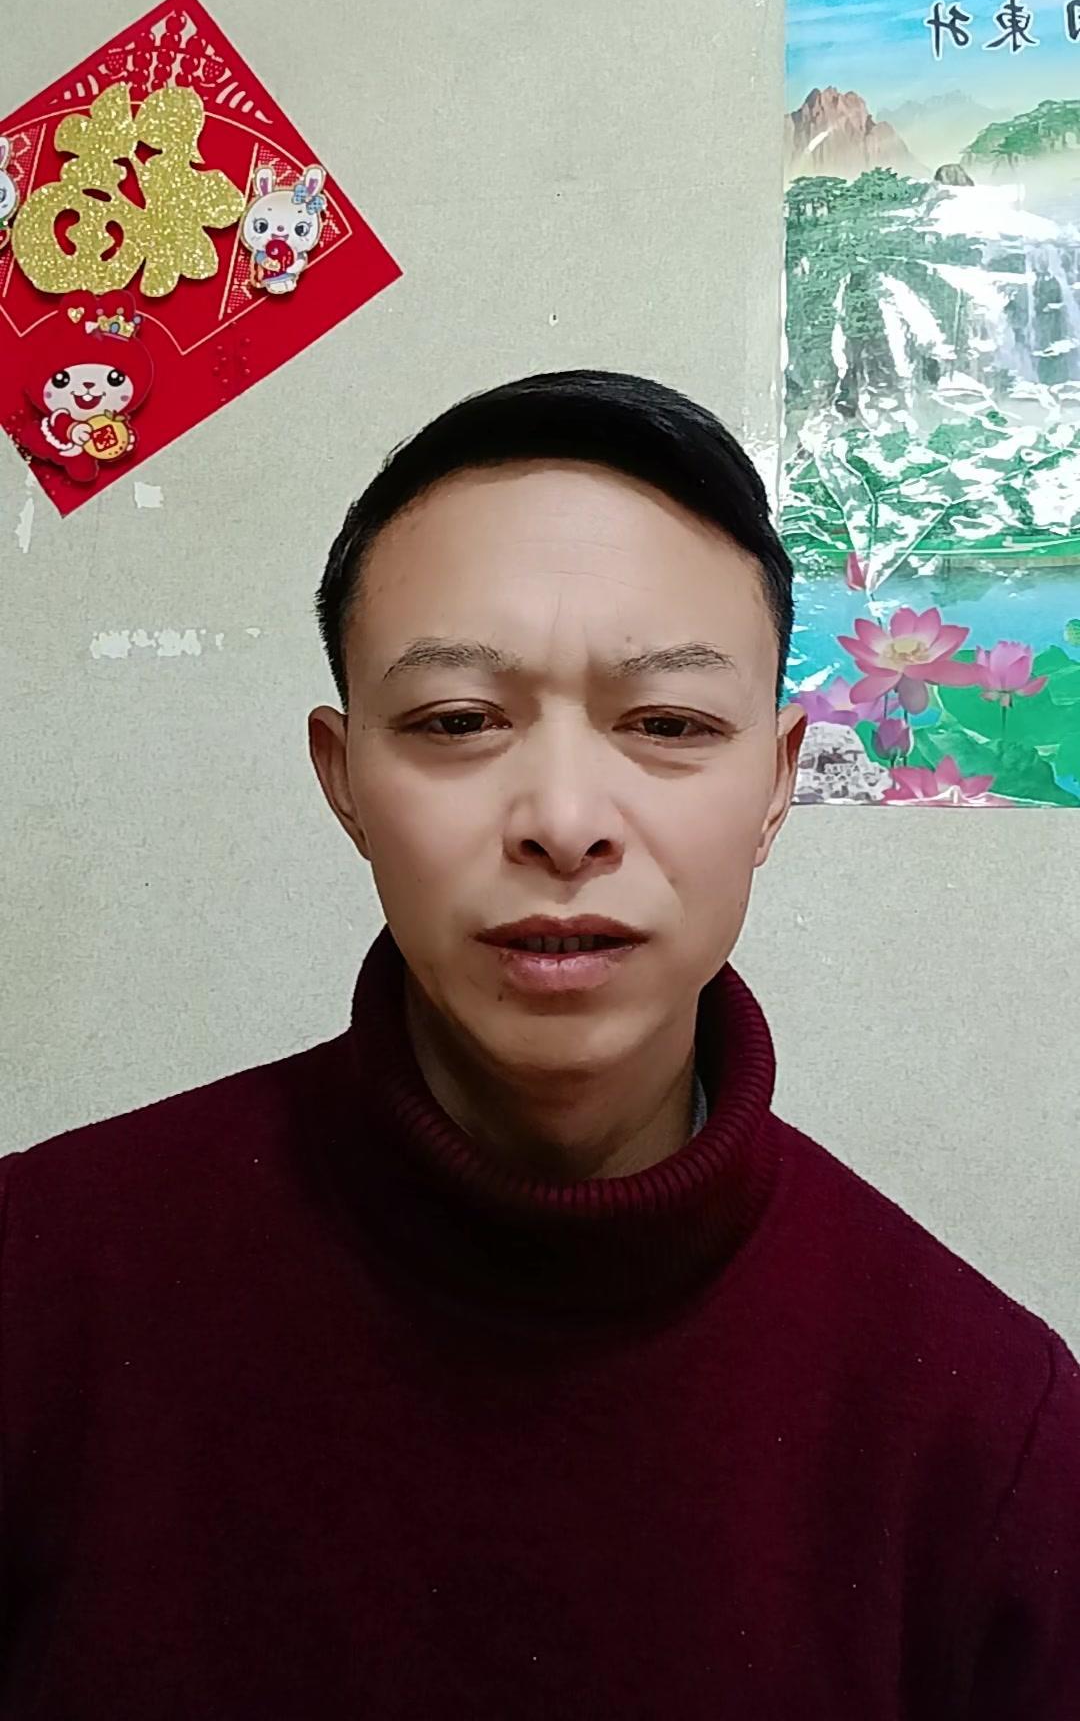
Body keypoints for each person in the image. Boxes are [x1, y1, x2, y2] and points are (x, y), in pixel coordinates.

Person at [0, 370, 1076, 1718]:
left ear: (777, 780)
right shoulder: (39, 1286)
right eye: (459, 722)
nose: (565, 822)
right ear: (343, 780)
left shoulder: (988, 1424)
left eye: (669, 725)